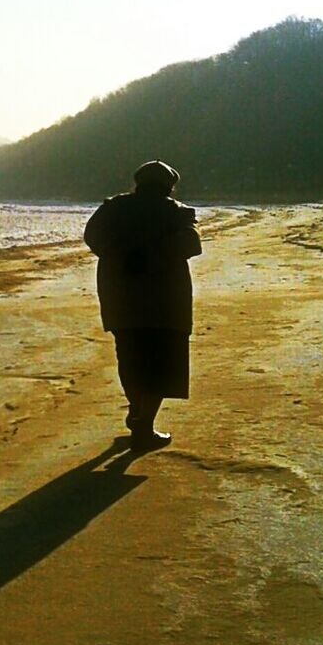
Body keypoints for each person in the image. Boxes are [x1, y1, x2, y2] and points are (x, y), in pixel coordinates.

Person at [83, 160, 202, 452]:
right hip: (166, 302)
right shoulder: (176, 212)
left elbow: (91, 236)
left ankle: (137, 411)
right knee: (161, 364)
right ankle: (144, 426)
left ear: (138, 183)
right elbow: (192, 243)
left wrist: (122, 258)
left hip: (121, 297)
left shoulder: (112, 208)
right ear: (169, 186)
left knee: (130, 358)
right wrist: (152, 258)